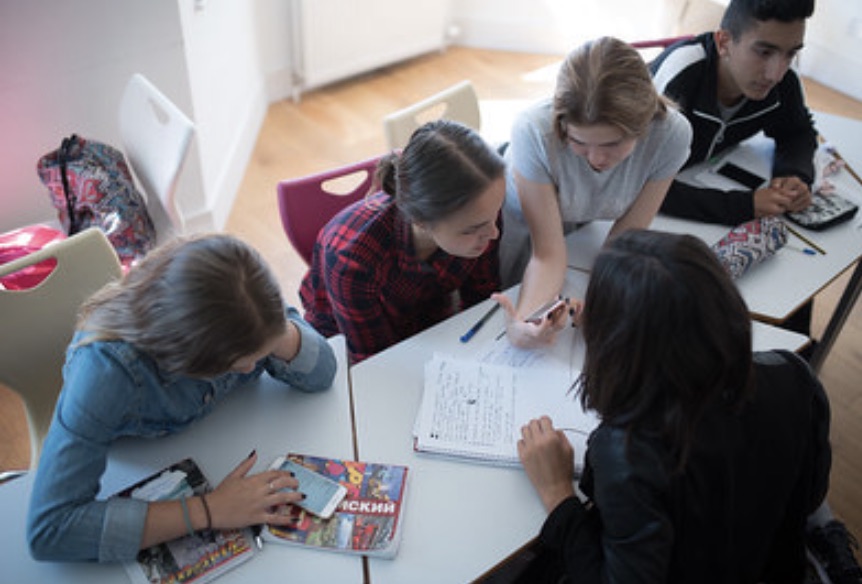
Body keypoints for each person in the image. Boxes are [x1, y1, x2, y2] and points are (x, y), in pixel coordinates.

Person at [516, 229, 832, 583]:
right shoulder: (794, 375)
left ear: (619, 348)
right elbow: (813, 497)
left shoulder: (628, 452)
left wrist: (557, 493)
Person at [27, 233, 338, 562]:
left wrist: (272, 331)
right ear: (182, 356)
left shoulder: (241, 288)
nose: (252, 366)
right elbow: (51, 529)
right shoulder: (106, 371)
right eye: (238, 363)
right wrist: (210, 509)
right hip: (131, 462)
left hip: (222, 439)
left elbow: (323, 372)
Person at [496, 36, 692, 349]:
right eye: (579, 142)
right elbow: (546, 252)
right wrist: (527, 323)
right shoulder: (532, 130)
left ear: (644, 125)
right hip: (519, 224)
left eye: (613, 143)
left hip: (580, 221)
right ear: (562, 125)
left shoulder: (671, 135)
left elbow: (626, 237)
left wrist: (602, 307)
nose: (597, 159)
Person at [300, 119, 505, 363]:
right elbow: (374, 359)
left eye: (495, 213)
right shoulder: (352, 261)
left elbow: (482, 301)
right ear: (421, 221)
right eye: (473, 229)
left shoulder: (481, 214)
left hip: (425, 316)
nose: (494, 233)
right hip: (347, 337)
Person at [649, 0, 816, 226]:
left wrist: (795, 175)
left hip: (698, 179)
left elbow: (797, 133)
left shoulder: (785, 80)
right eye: (764, 52)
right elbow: (638, 182)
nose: (775, 74)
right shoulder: (681, 76)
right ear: (724, 42)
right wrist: (744, 206)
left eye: (790, 54)